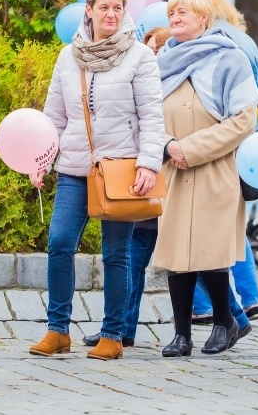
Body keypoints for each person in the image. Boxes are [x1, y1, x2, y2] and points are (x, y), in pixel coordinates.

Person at [28, 0, 164, 361]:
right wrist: (41, 160)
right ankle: (58, 330)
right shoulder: (68, 56)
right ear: (88, 11)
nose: (111, 14)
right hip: (75, 166)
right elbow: (54, 116)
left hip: (120, 169)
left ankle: (113, 334)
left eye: (117, 8)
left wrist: (148, 164)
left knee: (116, 254)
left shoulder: (140, 56)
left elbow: (152, 116)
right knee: (59, 243)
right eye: (104, 7)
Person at [153, 0, 258, 357]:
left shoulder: (230, 59)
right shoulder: (161, 61)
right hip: (173, 168)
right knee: (176, 253)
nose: (175, 17)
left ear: (204, 18)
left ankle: (224, 321)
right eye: (172, 12)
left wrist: (192, 149)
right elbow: (146, 116)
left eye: (183, 12)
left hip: (215, 168)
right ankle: (181, 335)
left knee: (209, 250)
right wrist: (169, 146)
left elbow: (243, 121)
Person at [82, 26, 171, 349]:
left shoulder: (156, 77)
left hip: (148, 178)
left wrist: (154, 156)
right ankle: (122, 327)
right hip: (128, 176)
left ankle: (234, 316)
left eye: (159, 48)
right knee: (132, 260)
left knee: (136, 260)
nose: (154, 53)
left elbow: (153, 122)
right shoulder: (138, 74)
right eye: (151, 47)